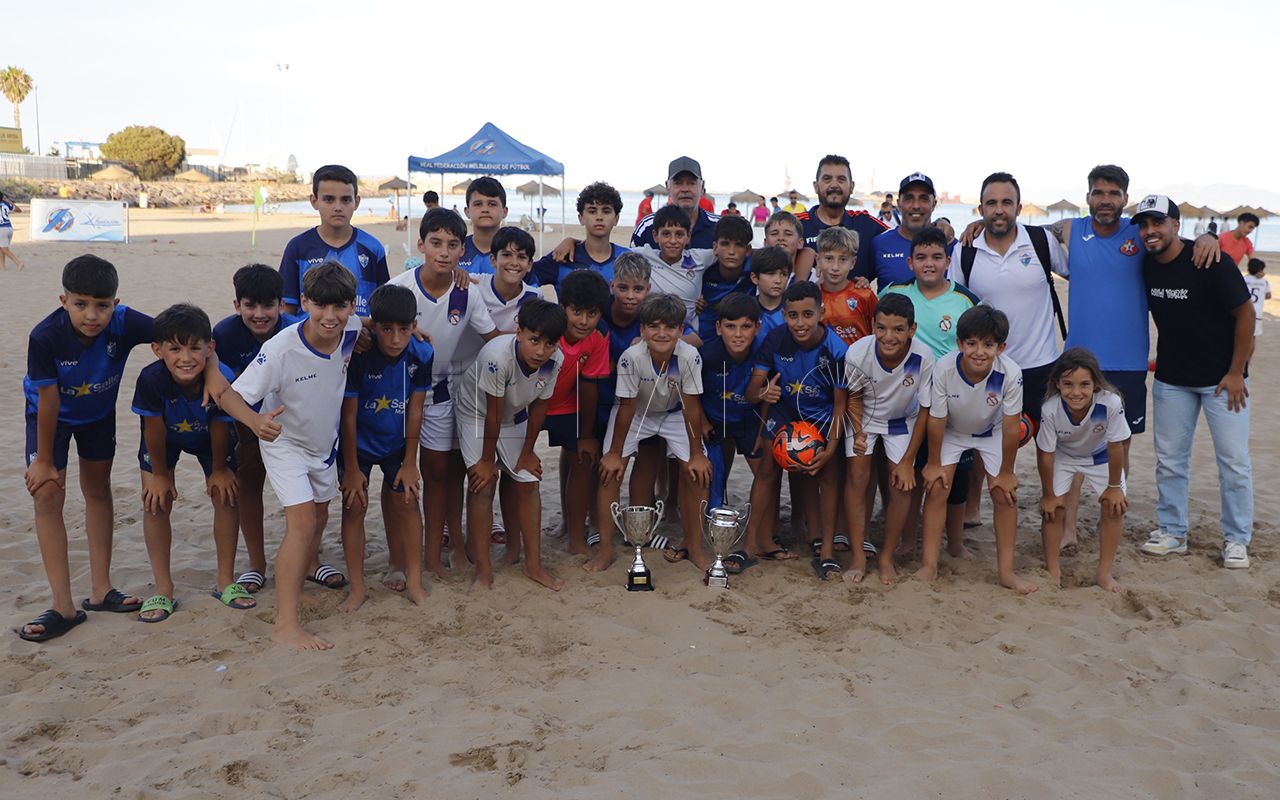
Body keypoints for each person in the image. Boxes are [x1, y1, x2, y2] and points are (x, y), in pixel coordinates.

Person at [212, 261, 364, 650]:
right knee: (301, 524)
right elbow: (229, 395)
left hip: (322, 444)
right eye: (320, 307)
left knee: (318, 518)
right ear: (304, 303)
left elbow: (369, 327)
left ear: (351, 305)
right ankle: (285, 624)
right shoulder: (280, 349)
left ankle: (293, 587)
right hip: (284, 443)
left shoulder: (353, 329)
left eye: (339, 308)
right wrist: (255, 422)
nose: (330, 318)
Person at [18, 256, 155, 641]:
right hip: (50, 419)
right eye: (80, 304)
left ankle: (100, 590)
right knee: (46, 495)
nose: (91, 315)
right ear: (64, 300)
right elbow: (47, 399)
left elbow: (177, 333)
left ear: (116, 302)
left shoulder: (125, 322)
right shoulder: (45, 336)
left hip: (98, 417)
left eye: (102, 305)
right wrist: (44, 460)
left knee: (97, 490)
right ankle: (63, 604)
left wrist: (209, 370)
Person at [1134, 195, 1255, 569]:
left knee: (1234, 462)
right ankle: (1172, 531)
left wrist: (1236, 372)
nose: (1150, 231)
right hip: (1172, 379)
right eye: (1144, 225)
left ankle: (1236, 540)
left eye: (1158, 223)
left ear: (1176, 225)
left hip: (1222, 381)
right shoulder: (1145, 264)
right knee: (1170, 461)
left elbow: (1246, 315)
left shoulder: (1209, 259)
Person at [388, 208, 499, 579]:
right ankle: (417, 556)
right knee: (411, 472)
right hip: (399, 390)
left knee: (448, 471)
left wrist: (540, 344)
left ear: (461, 250)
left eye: (453, 245)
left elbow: (493, 339)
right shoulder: (400, 288)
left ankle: (446, 548)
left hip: (443, 390)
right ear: (421, 245)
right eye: (436, 243)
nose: (444, 252)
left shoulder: (467, 291)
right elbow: (372, 327)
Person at [132, 304, 247, 622]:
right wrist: (159, 474)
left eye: (195, 348)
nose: (186, 358)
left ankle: (225, 579)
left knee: (226, 495)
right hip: (163, 442)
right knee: (156, 501)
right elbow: (152, 430)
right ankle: (163, 587)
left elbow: (221, 424)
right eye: (175, 349)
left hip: (212, 438)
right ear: (158, 351)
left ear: (210, 348)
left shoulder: (223, 378)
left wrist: (221, 469)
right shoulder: (151, 379)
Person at [588, 294, 713, 572]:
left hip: (674, 414)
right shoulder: (631, 357)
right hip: (635, 414)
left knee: (698, 472)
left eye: (670, 327)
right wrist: (614, 454)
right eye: (654, 326)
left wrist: (696, 454)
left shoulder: (688, 356)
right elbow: (627, 407)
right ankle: (606, 550)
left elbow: (692, 406)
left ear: (681, 330)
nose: (662, 333)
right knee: (609, 471)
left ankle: (694, 545)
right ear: (642, 330)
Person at [881, 227, 981, 558]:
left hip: (953, 402)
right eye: (921, 257)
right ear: (909, 262)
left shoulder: (964, 300)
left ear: (948, 261)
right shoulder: (895, 293)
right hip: (909, 402)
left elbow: (976, 346)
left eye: (936, 257)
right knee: (913, 471)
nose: (929, 264)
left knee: (957, 474)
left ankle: (955, 542)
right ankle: (909, 542)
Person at [919, 306, 1034, 594]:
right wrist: (933, 463)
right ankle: (929, 565)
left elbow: (1011, 426)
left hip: (991, 433)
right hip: (953, 432)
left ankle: (1006, 572)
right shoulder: (944, 367)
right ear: (959, 344)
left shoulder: (1010, 372)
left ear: (1001, 347)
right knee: (936, 486)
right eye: (971, 343)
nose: (979, 352)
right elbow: (936, 419)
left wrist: (1006, 473)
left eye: (988, 344)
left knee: (1004, 495)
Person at [455, 299, 567, 590]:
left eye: (549, 344)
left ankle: (533, 564)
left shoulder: (555, 360)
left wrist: (528, 452)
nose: (541, 351)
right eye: (534, 340)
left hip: (514, 414)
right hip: (477, 415)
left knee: (529, 483)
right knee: (483, 483)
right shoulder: (497, 357)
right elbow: (492, 414)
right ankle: (482, 568)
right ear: (519, 332)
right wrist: (486, 461)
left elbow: (540, 406)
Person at [739, 282, 847, 578]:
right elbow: (751, 391)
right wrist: (762, 394)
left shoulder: (836, 349)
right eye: (793, 315)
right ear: (784, 315)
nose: (800, 323)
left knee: (828, 474)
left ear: (821, 312)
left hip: (821, 418)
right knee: (766, 471)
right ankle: (748, 547)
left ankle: (826, 552)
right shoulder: (775, 339)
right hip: (784, 412)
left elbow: (840, 406)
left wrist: (831, 449)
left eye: (807, 314)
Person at [337, 284, 432, 610]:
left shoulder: (422, 353)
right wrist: (350, 468)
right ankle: (358, 588)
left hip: (396, 444)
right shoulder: (358, 355)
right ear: (373, 326)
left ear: (413, 326)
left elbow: (416, 409)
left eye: (403, 329)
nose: (395, 339)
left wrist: (410, 461)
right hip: (358, 446)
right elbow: (347, 417)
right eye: (386, 329)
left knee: (407, 501)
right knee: (354, 506)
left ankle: (415, 582)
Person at [951, 172, 1067, 426]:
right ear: (981, 209)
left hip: (1041, 364)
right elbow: (955, 305)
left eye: (1007, 202)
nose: (999, 210)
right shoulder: (965, 251)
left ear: (1019, 207)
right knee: (986, 445)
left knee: (1047, 445)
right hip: (988, 367)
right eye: (992, 203)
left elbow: (1076, 277)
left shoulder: (1041, 241)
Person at [212, 265, 298, 594]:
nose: (260, 314)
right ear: (237, 305)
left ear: (282, 304)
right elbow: (223, 387)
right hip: (244, 420)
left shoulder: (296, 329)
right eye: (250, 306)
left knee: (306, 492)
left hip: (291, 420)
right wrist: (249, 425)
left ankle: (312, 558)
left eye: (268, 306)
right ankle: (256, 563)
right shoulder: (225, 335)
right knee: (249, 485)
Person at [843, 293, 933, 584]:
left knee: (903, 485)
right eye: (881, 327)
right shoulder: (857, 353)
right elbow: (853, 398)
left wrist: (908, 461)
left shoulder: (924, 357)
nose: (888, 336)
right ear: (872, 325)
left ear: (912, 329)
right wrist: (857, 434)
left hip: (901, 421)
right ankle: (858, 555)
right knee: (857, 475)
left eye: (897, 329)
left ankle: (886, 557)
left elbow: (924, 411)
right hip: (865, 417)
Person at [1036, 348, 1130, 593]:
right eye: (1068, 384)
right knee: (1053, 509)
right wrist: (1048, 494)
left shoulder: (1110, 403)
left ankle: (1104, 572)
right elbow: (1045, 454)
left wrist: (1113, 488)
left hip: (1100, 457)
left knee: (1115, 507)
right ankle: (1053, 569)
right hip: (1064, 456)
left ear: (1096, 384)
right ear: (1057, 384)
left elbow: (1116, 446)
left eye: (1084, 384)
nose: (1075, 392)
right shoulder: (1051, 409)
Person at [543, 270, 611, 555]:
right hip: (531, 401)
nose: (583, 321)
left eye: (592, 313)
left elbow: (590, 385)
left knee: (581, 459)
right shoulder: (547, 330)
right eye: (576, 312)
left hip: (567, 404)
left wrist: (585, 435)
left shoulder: (598, 336)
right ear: (563, 308)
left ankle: (574, 534)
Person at [280, 164, 389, 317]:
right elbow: (287, 312)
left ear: (356, 202)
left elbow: (384, 307)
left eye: (345, 200)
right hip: (309, 340)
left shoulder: (373, 248)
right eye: (329, 200)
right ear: (314, 201)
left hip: (360, 339)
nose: (338, 207)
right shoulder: (297, 248)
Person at [701, 293, 763, 510]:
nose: (738, 334)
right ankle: (712, 516)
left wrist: (764, 430)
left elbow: (770, 397)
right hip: (714, 421)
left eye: (745, 327)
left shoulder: (764, 354)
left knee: (766, 475)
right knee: (710, 477)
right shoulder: (706, 356)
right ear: (718, 328)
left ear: (757, 327)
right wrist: (702, 422)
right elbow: (690, 395)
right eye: (730, 326)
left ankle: (766, 529)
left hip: (749, 420)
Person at [796, 155, 889, 280]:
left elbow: (901, 238)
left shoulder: (866, 224)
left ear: (851, 187)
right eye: (827, 179)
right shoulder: (795, 225)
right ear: (816, 186)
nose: (834, 185)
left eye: (841, 179)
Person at [869, 173, 957, 291]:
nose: (916, 205)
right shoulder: (878, 244)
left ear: (934, 204)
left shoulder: (953, 245)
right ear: (899, 203)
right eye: (909, 198)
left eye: (924, 199)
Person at [533, 181, 628, 289]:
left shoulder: (627, 258)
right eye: (592, 211)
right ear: (581, 218)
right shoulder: (563, 257)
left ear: (616, 219)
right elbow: (522, 281)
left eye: (606, 211)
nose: (599, 217)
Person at [632, 204, 716, 324]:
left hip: (688, 334)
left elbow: (731, 252)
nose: (673, 241)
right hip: (651, 332)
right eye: (666, 234)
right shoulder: (644, 255)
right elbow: (609, 251)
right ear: (655, 236)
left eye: (679, 234)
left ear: (688, 236)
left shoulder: (699, 258)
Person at [633, 157, 719, 250]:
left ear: (702, 186)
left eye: (691, 183)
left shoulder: (719, 227)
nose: (685, 189)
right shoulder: (647, 228)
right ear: (668, 186)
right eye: (678, 183)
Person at [696, 215, 755, 343]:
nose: (731, 251)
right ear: (715, 247)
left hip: (745, 340)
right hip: (707, 339)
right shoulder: (702, 272)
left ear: (748, 250)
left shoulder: (756, 271)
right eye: (725, 244)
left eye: (738, 245)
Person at [815, 227, 876, 345]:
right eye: (829, 258)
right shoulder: (812, 297)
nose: (835, 267)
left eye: (843, 259)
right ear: (818, 260)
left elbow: (878, 332)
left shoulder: (864, 295)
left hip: (860, 363)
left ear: (853, 262)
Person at [460, 177, 512, 276]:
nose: (485, 209)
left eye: (492, 204)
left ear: (504, 211)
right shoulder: (456, 249)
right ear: (467, 211)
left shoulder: (515, 251)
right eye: (478, 204)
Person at [750, 244, 792, 342]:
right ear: (755, 278)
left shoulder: (794, 310)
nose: (778, 280)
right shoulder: (745, 310)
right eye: (771, 273)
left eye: (784, 274)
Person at [1245, 258, 1270, 360]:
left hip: (1243, 311)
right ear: (1260, 270)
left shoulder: (1243, 279)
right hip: (1257, 313)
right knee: (1252, 338)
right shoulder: (1264, 282)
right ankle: (1247, 361)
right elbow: (1268, 296)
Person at [0, 191, 25, 271]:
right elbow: (19, 210)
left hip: (1, 228)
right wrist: (8, 201)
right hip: (9, 228)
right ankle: (2, 266)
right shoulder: (6, 204)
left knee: (4, 249)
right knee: (2, 248)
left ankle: (18, 262)